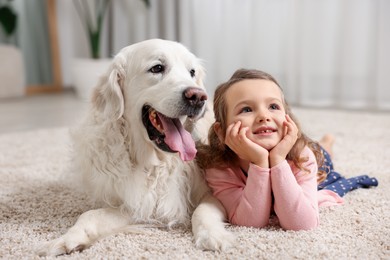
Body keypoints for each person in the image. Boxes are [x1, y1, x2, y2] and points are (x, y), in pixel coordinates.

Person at [196, 69, 346, 231]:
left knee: (322, 154)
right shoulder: (219, 167)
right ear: (221, 131)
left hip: (307, 155)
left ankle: (327, 141)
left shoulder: (302, 156)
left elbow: (302, 224)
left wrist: (279, 159)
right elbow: (250, 222)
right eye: (246, 109)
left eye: (273, 106)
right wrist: (260, 161)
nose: (264, 116)